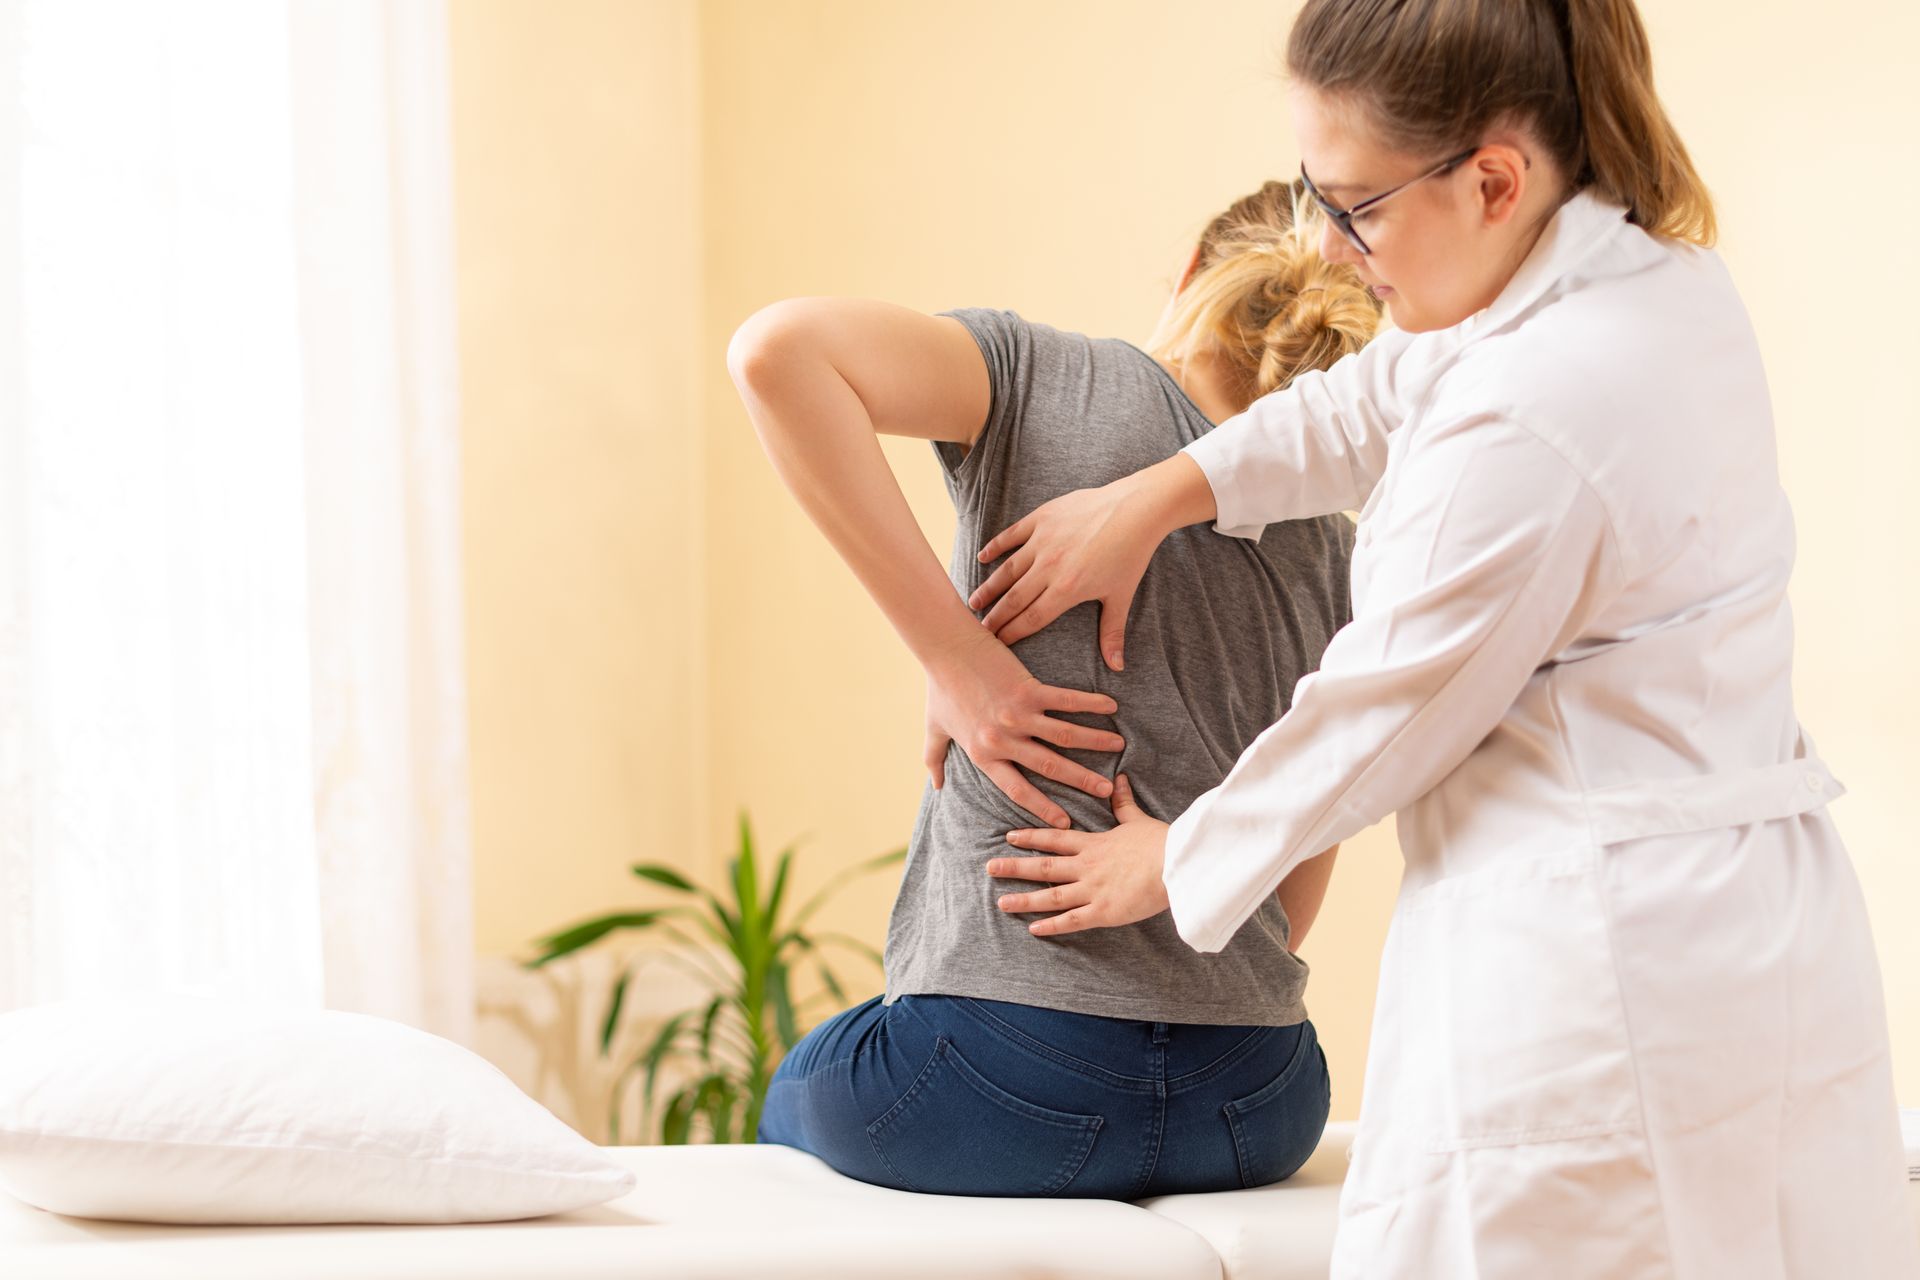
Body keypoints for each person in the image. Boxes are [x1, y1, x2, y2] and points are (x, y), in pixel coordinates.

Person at [971, 0, 1918, 1274]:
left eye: (1355, 206)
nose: (1330, 244)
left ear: (1492, 178)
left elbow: (1382, 712)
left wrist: (1171, 861)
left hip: (1599, 969)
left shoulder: (1540, 408)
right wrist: (1161, 493)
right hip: (1740, 929)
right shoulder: (1640, 281)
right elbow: (1380, 393)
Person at [726, 180, 1382, 1197]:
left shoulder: (1048, 375)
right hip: (1260, 1095)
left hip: (999, 1084)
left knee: (798, 1084)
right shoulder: (1334, 537)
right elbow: (1295, 883)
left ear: (1190, 278)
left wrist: (956, 657)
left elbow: (776, 354)